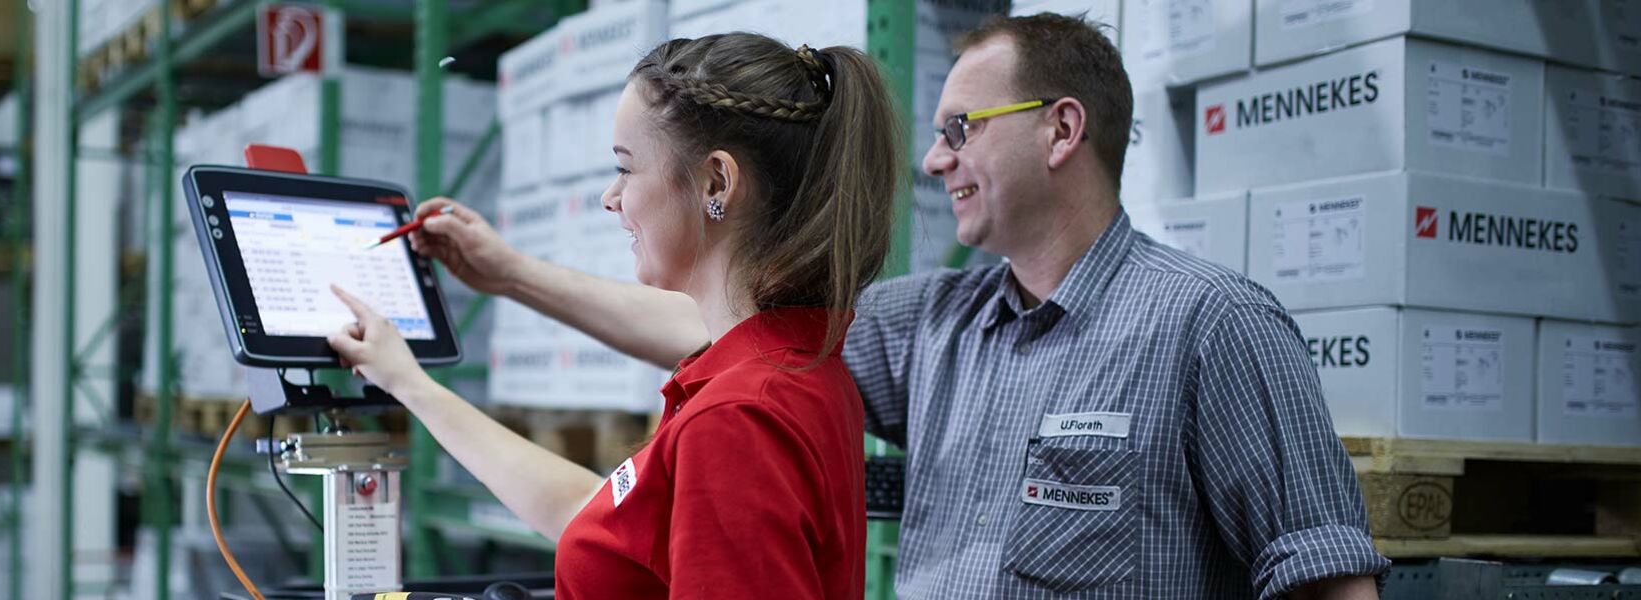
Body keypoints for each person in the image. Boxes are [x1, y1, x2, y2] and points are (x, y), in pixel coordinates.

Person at [399, 13, 1392, 600]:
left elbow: (1325, 575)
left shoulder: (1212, 328)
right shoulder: (942, 325)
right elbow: (733, 337)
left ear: (1062, 131)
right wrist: (509, 273)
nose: (934, 158)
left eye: (961, 128)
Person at [325, 33, 904, 599]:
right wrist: (409, 383)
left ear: (716, 182)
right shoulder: (789, 369)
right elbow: (602, 522)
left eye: (627, 168)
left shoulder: (737, 415)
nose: (611, 197)